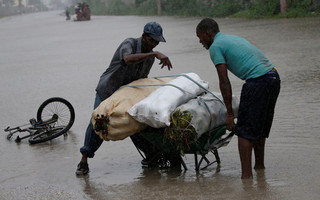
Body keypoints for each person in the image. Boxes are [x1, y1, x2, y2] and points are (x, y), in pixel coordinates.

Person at [76, 22, 173, 175]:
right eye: (152, 40)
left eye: (157, 42)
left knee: (135, 121)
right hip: (108, 90)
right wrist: (154, 53)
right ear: (144, 36)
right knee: (98, 122)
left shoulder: (150, 59)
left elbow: (142, 79)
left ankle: (151, 153)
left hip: (126, 94)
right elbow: (127, 59)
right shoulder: (130, 44)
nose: (154, 44)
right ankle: (84, 160)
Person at [196, 18, 280, 179]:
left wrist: (229, 114)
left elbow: (224, 81)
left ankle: (246, 179)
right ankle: (260, 169)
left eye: (200, 37)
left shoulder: (215, 47)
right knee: (259, 129)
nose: (200, 41)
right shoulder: (232, 38)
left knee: (244, 133)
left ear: (208, 33)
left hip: (258, 81)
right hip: (273, 77)